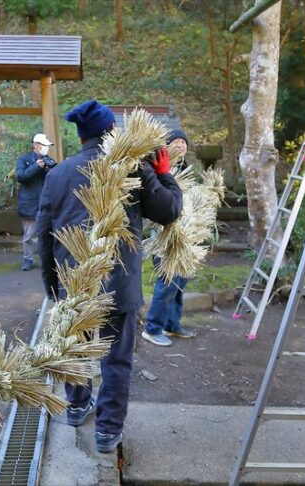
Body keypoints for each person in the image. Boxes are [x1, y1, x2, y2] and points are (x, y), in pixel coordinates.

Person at [36, 100, 183, 453]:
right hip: (118, 283)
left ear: (82, 136)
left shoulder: (58, 174)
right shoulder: (132, 168)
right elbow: (169, 211)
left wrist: (52, 287)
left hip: (75, 282)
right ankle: (106, 431)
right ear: (111, 132)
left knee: (75, 348)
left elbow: (44, 235)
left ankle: (76, 406)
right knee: (116, 357)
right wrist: (163, 175)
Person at [141, 128, 198, 347]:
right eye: (176, 142)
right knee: (167, 281)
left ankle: (172, 324)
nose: (181, 145)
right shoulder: (157, 167)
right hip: (163, 235)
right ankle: (152, 328)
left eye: (184, 143)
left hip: (185, 233)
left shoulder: (186, 169)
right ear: (166, 146)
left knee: (181, 279)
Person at [15, 133, 56, 271]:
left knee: (46, 234)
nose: (46, 149)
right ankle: (28, 259)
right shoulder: (24, 159)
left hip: (44, 203)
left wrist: (51, 169)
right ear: (36, 145)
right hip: (28, 203)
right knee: (28, 236)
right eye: (44, 145)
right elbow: (20, 176)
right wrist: (36, 166)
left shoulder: (48, 160)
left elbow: (54, 179)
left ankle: (47, 259)